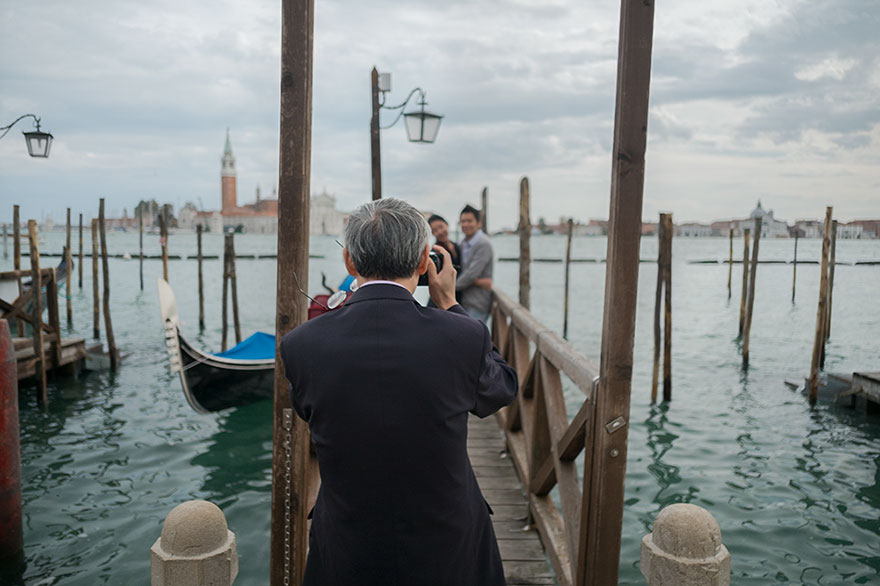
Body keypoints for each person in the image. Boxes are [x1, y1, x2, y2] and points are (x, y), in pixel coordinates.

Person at [280, 198, 518, 586]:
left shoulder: (302, 344)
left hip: (347, 539)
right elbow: (500, 391)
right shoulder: (463, 336)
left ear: (349, 262)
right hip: (447, 540)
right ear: (425, 260)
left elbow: (309, 411)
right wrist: (451, 304)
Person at [456, 204, 494, 323]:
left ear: (479, 223)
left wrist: (449, 288)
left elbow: (471, 274)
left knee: (472, 340)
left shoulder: (483, 244)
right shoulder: (462, 243)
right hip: (464, 301)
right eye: (463, 221)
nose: (465, 224)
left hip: (477, 303)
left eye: (469, 221)